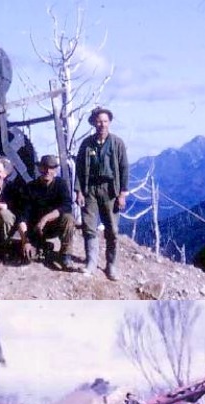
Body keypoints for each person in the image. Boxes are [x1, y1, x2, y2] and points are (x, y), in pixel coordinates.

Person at [74, 107, 129, 281]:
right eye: (99, 121)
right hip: (90, 189)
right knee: (89, 227)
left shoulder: (117, 143)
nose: (102, 124)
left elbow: (124, 168)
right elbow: (79, 169)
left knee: (112, 229)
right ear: (93, 123)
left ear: (109, 123)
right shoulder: (86, 144)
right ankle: (91, 262)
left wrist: (122, 194)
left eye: (105, 121)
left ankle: (111, 265)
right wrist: (79, 191)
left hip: (110, 190)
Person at [18, 154, 76, 269]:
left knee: (69, 218)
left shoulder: (61, 184)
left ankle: (65, 255)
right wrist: (26, 241)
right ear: (39, 168)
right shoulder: (30, 187)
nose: (48, 171)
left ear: (55, 170)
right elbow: (23, 216)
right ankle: (42, 246)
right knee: (28, 257)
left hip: (54, 225)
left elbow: (67, 205)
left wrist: (46, 218)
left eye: (51, 168)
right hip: (36, 229)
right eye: (45, 167)